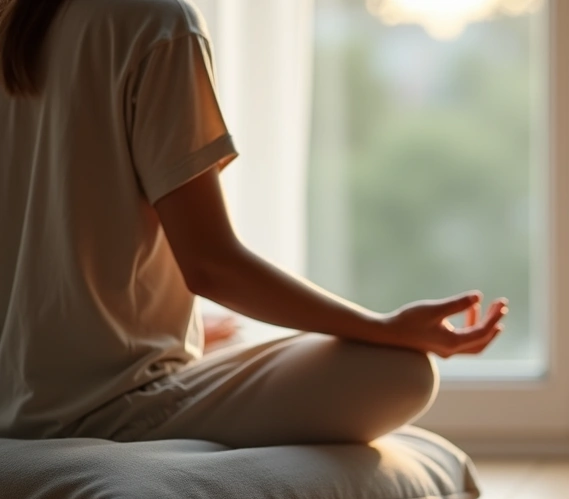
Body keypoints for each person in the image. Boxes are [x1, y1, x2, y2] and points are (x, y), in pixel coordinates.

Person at [0, 0, 507, 448]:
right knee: (401, 373)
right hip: (111, 410)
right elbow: (211, 266)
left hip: (13, 403)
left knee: (238, 341)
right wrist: (382, 327)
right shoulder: (156, 22)